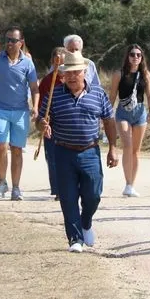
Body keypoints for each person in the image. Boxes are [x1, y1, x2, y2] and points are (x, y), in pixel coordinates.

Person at [38, 51, 118, 253]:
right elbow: (41, 119)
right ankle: (75, 239)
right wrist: (43, 126)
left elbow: (109, 120)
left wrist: (113, 149)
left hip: (90, 152)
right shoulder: (53, 96)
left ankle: (86, 223)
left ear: (85, 72)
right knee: (68, 197)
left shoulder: (98, 94)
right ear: (63, 75)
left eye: (76, 72)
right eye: (68, 73)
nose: (72, 76)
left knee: (93, 195)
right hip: (63, 152)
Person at [0, 26, 39, 201]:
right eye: (7, 40)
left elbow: (35, 88)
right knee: (1, 146)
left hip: (20, 112)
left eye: (13, 40)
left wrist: (35, 106)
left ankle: (16, 187)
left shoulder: (28, 63)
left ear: (21, 43)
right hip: (0, 109)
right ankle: (1, 182)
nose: (9, 43)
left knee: (17, 149)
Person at [108, 44, 150, 197]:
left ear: (142, 58)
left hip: (140, 113)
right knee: (127, 145)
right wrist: (107, 114)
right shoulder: (119, 74)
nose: (135, 57)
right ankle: (127, 183)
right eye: (132, 54)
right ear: (127, 56)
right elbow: (113, 95)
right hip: (123, 112)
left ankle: (131, 185)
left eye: (138, 55)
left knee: (135, 150)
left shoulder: (145, 74)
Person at [38, 46, 69, 200]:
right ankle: (57, 190)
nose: (59, 66)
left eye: (62, 63)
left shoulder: (72, 79)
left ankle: (69, 187)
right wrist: (43, 120)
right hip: (51, 123)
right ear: (52, 62)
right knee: (52, 157)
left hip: (68, 124)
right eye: (56, 63)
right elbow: (41, 105)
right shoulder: (47, 81)